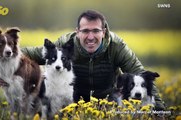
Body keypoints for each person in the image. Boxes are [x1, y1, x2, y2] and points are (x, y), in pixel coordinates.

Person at [21, 10, 165, 110]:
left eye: (96, 31)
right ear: (77, 32)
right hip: (72, 104)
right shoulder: (66, 44)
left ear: (104, 32)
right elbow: (27, 53)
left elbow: (140, 73)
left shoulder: (117, 46)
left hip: (109, 105)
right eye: (85, 31)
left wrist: (159, 111)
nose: (90, 37)